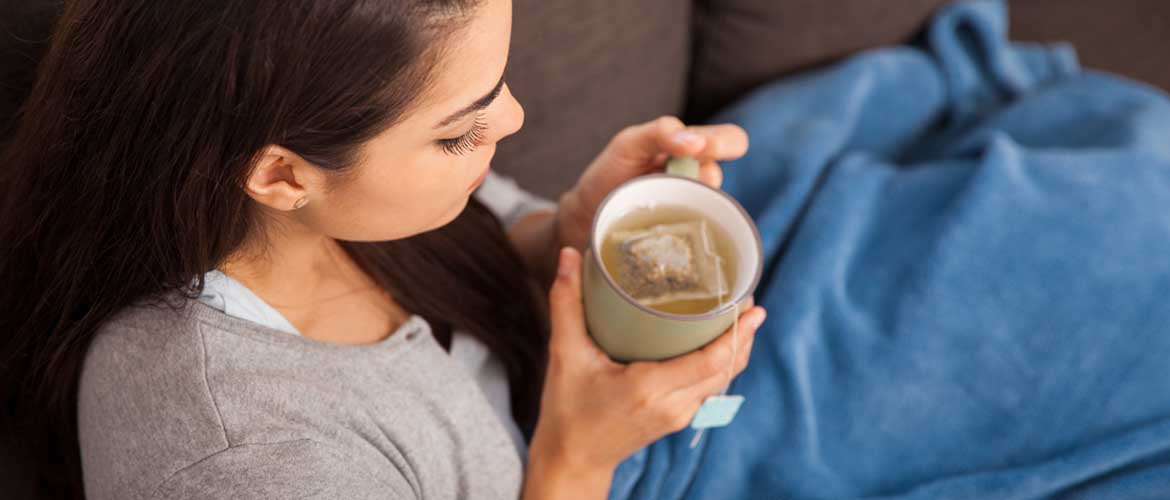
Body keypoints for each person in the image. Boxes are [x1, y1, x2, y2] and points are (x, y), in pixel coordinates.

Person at [0, 0, 765, 498]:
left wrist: (562, 231)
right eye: (461, 130)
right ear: (280, 175)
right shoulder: (241, 462)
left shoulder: (301, 203)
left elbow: (471, 242)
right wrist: (578, 463)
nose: (517, 119)